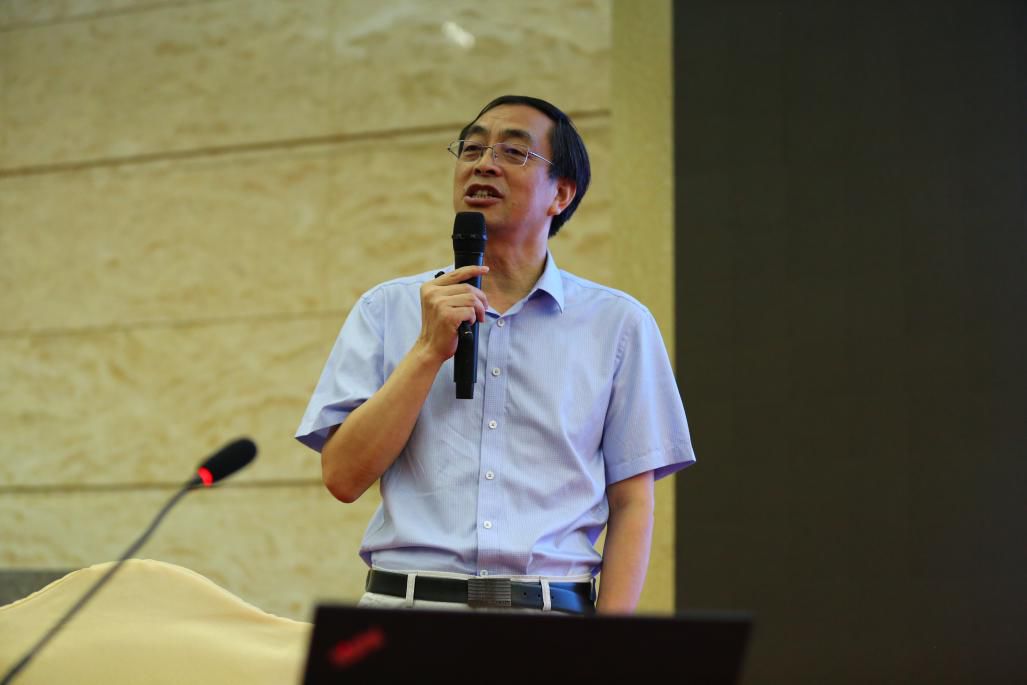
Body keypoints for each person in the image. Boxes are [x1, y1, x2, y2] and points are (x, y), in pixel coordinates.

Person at [296, 95, 694, 615]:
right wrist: (427, 352)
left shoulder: (618, 324)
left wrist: (607, 647)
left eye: (513, 152)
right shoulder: (386, 308)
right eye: (472, 149)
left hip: (549, 617)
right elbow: (343, 478)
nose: (484, 163)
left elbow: (632, 502)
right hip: (407, 613)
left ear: (561, 194)